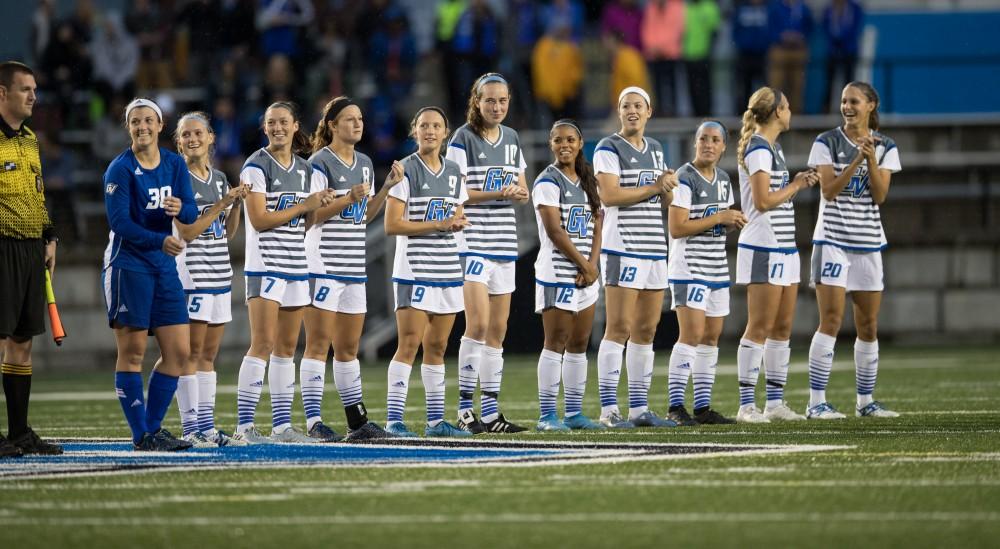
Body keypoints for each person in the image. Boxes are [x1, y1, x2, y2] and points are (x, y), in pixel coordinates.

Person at [232, 101, 335, 444]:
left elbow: (306, 222)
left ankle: (281, 426)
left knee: (287, 348)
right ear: (265, 128)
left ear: (295, 127)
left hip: (296, 265)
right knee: (261, 343)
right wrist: (305, 205)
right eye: (271, 122)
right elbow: (259, 220)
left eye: (283, 122)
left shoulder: (308, 170)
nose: (277, 128)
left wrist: (320, 206)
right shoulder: (256, 166)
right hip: (265, 265)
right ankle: (244, 427)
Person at [302, 97, 403, 441]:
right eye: (349, 119)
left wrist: (386, 187)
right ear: (332, 125)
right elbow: (311, 216)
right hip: (324, 263)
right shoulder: (318, 163)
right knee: (318, 345)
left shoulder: (363, 161)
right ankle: (314, 422)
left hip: (352, 266)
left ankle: (357, 422)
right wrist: (348, 197)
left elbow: (365, 215)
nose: (357, 124)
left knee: (347, 348)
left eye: (360, 118)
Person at [102, 97, 198, 451]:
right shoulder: (120, 169)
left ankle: (153, 430)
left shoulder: (174, 163)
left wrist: (180, 207)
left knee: (179, 352)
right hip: (129, 265)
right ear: (128, 127)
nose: (142, 127)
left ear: (160, 126)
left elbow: (189, 212)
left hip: (162, 266)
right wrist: (161, 240)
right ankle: (141, 434)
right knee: (133, 353)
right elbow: (120, 223)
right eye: (135, 122)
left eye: (148, 121)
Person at [806, 82, 901, 419]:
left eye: (854, 101)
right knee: (830, 320)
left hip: (868, 243)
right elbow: (829, 190)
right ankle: (816, 402)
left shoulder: (886, 146)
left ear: (871, 106)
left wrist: (871, 159)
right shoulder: (826, 142)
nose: (847, 107)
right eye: (844, 100)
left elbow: (879, 195)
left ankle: (865, 401)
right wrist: (855, 160)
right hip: (832, 241)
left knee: (869, 325)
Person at [445, 73, 530, 434]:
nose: (497, 107)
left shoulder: (511, 139)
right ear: (476, 101)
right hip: (473, 241)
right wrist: (500, 194)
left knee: (498, 329)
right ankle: (466, 411)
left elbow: (522, 186)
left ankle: (492, 413)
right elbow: (455, 190)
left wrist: (519, 193)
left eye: (503, 100)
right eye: (490, 101)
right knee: (477, 325)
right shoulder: (462, 138)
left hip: (504, 242)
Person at [383, 106, 471, 438]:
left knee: (437, 346)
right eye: (424, 126)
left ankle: (436, 422)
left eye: (436, 125)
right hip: (414, 270)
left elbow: (457, 217)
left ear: (446, 132)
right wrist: (440, 223)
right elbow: (392, 225)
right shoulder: (404, 170)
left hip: (447, 269)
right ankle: (394, 420)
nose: (430, 131)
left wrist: (457, 223)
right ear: (414, 131)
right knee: (408, 344)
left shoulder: (454, 172)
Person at [594, 86, 678, 429]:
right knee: (619, 327)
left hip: (654, 247)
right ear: (619, 112)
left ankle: (640, 409)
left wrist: (670, 190)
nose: (632, 110)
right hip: (622, 247)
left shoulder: (657, 150)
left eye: (638, 105)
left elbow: (665, 201)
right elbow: (610, 195)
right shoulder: (607, 147)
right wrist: (656, 187)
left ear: (649, 112)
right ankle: (609, 410)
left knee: (646, 329)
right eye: (626, 105)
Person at [733, 87, 818, 423]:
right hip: (763, 246)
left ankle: (775, 403)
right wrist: (796, 186)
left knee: (782, 327)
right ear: (777, 111)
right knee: (759, 326)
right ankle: (746, 405)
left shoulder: (773, 148)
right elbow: (763, 201)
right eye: (787, 106)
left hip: (784, 246)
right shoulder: (757, 148)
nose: (791, 111)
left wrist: (796, 182)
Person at [168, 111, 249, 447]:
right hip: (193, 276)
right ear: (179, 142)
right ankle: (190, 429)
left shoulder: (218, 178)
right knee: (191, 353)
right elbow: (186, 232)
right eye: (186, 134)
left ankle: (206, 426)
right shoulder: (177, 177)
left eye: (198, 133)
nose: (192, 139)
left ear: (211, 137)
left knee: (208, 356)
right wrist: (222, 204)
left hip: (219, 274)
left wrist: (236, 205)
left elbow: (226, 233)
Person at [0, 61, 62, 457]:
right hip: (1, 244)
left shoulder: (28, 140)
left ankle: (19, 432)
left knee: (22, 341)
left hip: (28, 249)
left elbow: (36, 195)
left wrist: (49, 235)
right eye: (25, 89)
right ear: (2, 94)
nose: (33, 96)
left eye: (35, 89)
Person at [665, 121, 745, 426]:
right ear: (694, 143)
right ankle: (675, 406)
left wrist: (731, 220)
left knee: (711, 337)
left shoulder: (723, 178)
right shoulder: (685, 177)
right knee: (692, 334)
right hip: (690, 266)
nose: (708, 144)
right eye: (703, 139)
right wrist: (720, 217)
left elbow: (716, 221)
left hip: (715, 266)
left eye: (715, 140)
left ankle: (702, 407)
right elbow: (677, 227)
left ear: (724, 146)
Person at [533, 119, 605, 432]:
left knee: (579, 342)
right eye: (559, 140)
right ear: (551, 144)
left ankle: (574, 413)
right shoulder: (547, 181)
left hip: (585, 274)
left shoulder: (589, 181)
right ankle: (547, 415)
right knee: (556, 341)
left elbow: (598, 226)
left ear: (580, 144)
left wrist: (593, 264)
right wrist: (584, 265)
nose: (565, 145)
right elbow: (554, 231)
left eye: (570, 140)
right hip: (558, 271)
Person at [767, 0, 813, 114]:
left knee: (797, 86)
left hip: (798, 50)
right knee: (777, 85)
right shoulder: (775, 7)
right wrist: (781, 37)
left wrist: (800, 37)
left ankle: (795, 116)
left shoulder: (803, 8)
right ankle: (775, 116)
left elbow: (809, 28)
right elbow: (770, 27)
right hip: (780, 49)